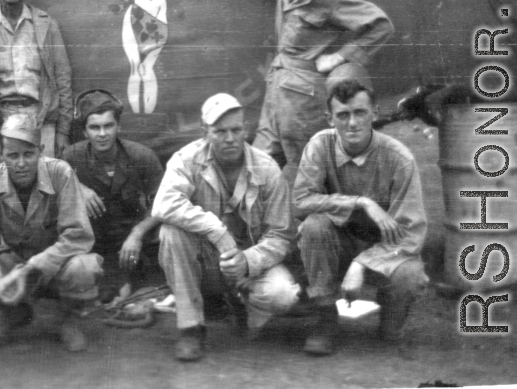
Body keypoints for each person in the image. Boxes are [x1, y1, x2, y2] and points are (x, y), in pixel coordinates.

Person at [180, 0, 394, 185]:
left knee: (309, 174)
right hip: (276, 92)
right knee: (257, 168)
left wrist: (340, 57)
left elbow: (380, 25)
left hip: (305, 100)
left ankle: (324, 225)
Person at [152, 93, 300, 362]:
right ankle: (191, 328)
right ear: (204, 132)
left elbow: (281, 235)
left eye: (236, 130)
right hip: (208, 260)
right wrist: (216, 230)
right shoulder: (185, 159)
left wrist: (247, 260)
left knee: (282, 295)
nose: (230, 138)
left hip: (250, 265)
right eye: (220, 131)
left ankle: (241, 304)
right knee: (170, 232)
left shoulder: (266, 169)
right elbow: (163, 204)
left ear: (246, 129)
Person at [293, 79, 428, 355]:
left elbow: (411, 234)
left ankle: (391, 316)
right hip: (337, 245)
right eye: (343, 115)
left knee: (410, 273)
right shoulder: (320, 146)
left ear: (374, 114)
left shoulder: (399, 159)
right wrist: (360, 202)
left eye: (360, 112)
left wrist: (361, 263)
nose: (352, 123)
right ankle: (325, 317)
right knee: (314, 226)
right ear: (329, 119)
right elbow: (300, 202)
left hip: (383, 251)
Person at [0, 114, 103, 352]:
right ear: (1, 153)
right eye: (13, 155)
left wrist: (33, 266)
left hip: (55, 265)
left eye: (28, 154)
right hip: (12, 263)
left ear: (41, 150)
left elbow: (78, 235)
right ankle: (13, 313)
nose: (21, 163)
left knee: (84, 268)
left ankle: (66, 320)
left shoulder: (60, 173)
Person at [62, 89, 164, 300]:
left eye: (108, 126)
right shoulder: (70, 157)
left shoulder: (141, 156)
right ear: (84, 131)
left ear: (119, 126)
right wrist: (79, 189)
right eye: (94, 127)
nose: (102, 134)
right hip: (94, 242)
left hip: (133, 240)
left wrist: (137, 234)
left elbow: (164, 205)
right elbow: (49, 186)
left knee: (167, 236)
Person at [0, 0, 73, 159]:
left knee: (44, 180)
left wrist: (63, 131)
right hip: (2, 120)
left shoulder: (46, 26)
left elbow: (63, 79)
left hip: (41, 118)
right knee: (5, 180)